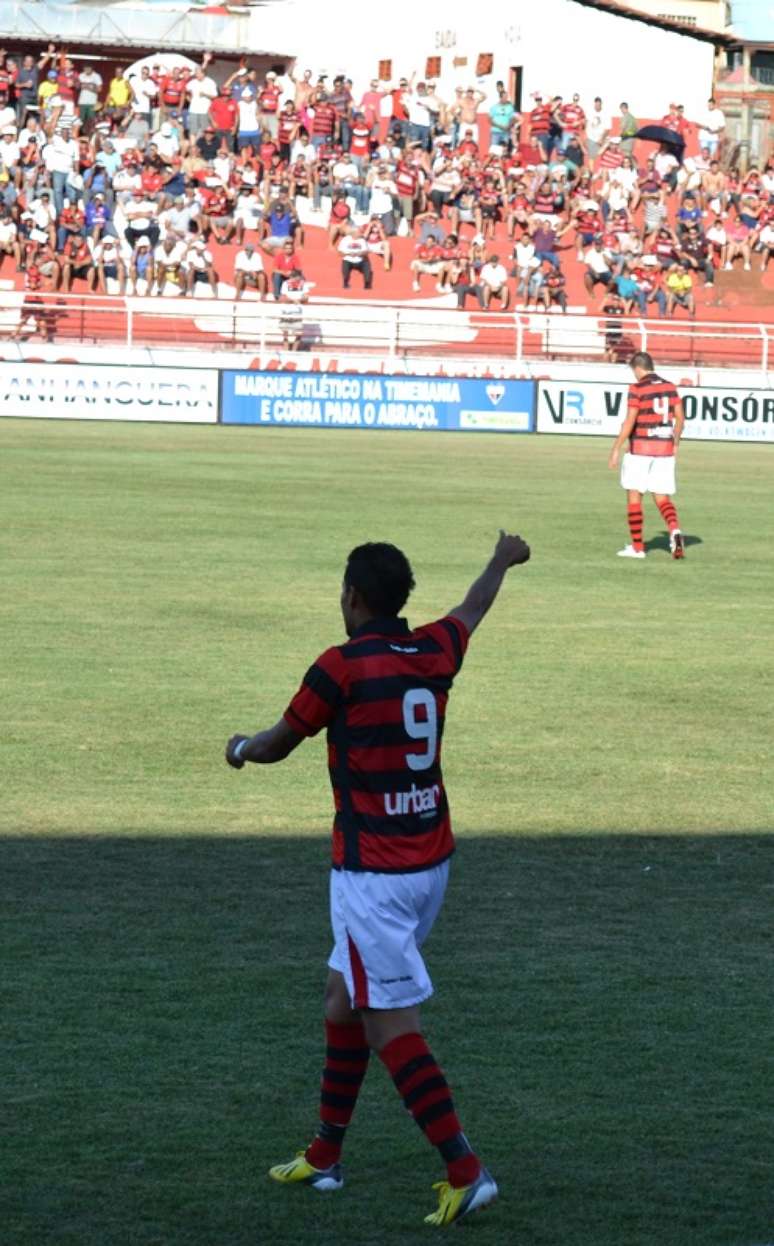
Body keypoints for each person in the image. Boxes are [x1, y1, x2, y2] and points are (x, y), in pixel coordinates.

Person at [225, 532, 531, 1226]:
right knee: (343, 1000)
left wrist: (239, 749)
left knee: (391, 1023)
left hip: (374, 878)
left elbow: (277, 743)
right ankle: (325, 1155)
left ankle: (465, 1168)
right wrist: (500, 559)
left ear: (354, 598)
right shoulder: (434, 649)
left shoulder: (340, 667)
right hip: (431, 864)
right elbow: (472, 608)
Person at [607, 352, 685, 560]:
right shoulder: (670, 387)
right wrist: (675, 442)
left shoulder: (636, 388)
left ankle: (638, 547)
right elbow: (680, 418)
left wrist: (616, 447)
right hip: (664, 450)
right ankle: (675, 531)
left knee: (634, 496)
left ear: (637, 368)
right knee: (662, 497)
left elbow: (630, 420)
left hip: (641, 448)